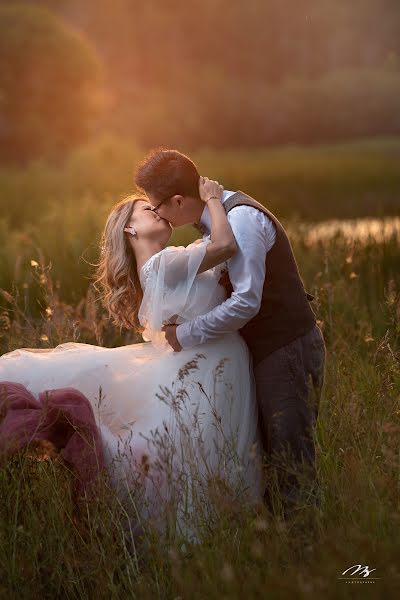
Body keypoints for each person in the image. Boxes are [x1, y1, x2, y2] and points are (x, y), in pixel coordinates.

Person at [0, 177, 263, 540]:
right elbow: (224, 244)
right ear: (131, 229)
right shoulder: (161, 265)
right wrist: (214, 199)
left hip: (215, 367)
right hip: (208, 372)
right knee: (199, 463)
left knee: (209, 460)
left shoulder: (168, 264)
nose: (157, 210)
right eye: (146, 208)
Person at [134, 148, 326, 517]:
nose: (156, 215)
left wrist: (184, 335)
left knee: (291, 463)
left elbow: (246, 302)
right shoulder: (216, 221)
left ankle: (307, 558)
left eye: (156, 207)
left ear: (177, 200)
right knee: (271, 461)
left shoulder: (240, 220)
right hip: (269, 352)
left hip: (286, 348)